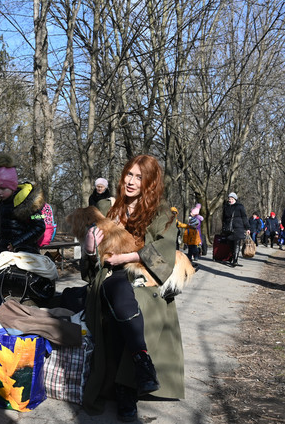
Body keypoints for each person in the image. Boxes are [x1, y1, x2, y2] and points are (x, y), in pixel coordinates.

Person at [80, 155, 185, 422]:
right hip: (109, 276)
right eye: (129, 174)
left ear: (150, 182)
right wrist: (91, 249)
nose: (131, 181)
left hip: (143, 277)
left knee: (136, 304)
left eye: (139, 177)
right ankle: (141, 364)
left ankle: (125, 387)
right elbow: (89, 263)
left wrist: (126, 258)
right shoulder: (107, 207)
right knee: (119, 293)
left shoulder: (162, 213)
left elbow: (164, 252)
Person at [0, 154, 47, 305]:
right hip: (2, 253)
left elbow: (39, 226)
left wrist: (17, 242)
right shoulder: (0, 204)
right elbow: (1, 231)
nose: (0, 193)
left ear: (12, 186)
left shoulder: (27, 205)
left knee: (16, 290)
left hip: (22, 254)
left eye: (4, 188)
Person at [221, 192, 250, 267]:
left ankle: (235, 260)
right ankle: (232, 257)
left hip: (238, 227)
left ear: (235, 199)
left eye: (231, 198)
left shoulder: (240, 206)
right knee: (230, 243)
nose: (230, 200)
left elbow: (244, 217)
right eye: (229, 198)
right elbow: (224, 218)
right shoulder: (226, 206)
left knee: (237, 243)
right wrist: (223, 227)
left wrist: (247, 228)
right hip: (229, 228)